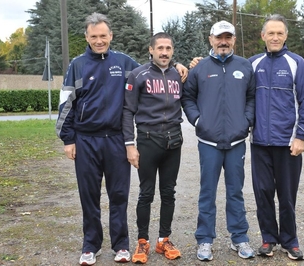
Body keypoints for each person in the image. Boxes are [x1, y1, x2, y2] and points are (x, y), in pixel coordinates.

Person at [55, 13, 187, 265]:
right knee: (89, 196)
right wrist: (67, 139)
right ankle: (90, 246)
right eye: (94, 36)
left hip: (116, 140)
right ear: (87, 37)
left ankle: (121, 245)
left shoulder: (125, 63)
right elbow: (66, 104)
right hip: (86, 140)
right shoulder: (78, 65)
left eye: (103, 35)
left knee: (119, 196)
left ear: (110, 36)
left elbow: (154, 68)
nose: (99, 40)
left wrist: (176, 65)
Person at [181, 20, 256, 261]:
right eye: (218, 37)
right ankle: (204, 240)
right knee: (207, 192)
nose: (223, 42)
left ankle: (239, 238)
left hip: (236, 142)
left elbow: (252, 97)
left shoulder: (245, 67)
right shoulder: (199, 68)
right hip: (208, 142)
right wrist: (198, 120)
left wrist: (246, 120)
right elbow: (188, 98)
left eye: (228, 37)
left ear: (233, 39)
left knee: (236, 192)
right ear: (211, 39)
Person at [248, 14, 304, 261]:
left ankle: (290, 240)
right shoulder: (253, 64)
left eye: (280, 33)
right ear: (263, 36)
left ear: (286, 36)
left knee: (287, 196)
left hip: (288, 144)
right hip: (259, 144)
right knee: (263, 192)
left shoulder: (296, 63)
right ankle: (268, 239)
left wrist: (301, 136)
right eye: (271, 33)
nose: (275, 37)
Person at [122, 32, 183, 264]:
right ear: (151, 50)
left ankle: (163, 239)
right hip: (148, 140)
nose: (164, 52)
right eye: (160, 48)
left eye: (168, 48)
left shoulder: (179, 74)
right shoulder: (138, 75)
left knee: (169, 193)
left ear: (172, 51)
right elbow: (127, 111)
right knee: (146, 193)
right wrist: (130, 145)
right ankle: (143, 241)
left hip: (174, 141)